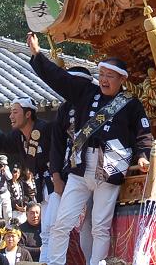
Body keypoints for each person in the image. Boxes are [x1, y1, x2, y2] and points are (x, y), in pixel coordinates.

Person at [27, 33, 153, 265]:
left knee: (99, 226)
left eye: (110, 76)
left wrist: (144, 156)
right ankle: (55, 262)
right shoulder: (86, 93)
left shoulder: (131, 105)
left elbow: (143, 134)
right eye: (102, 75)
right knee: (61, 223)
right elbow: (60, 78)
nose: (104, 80)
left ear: (121, 80)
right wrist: (37, 54)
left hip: (110, 169)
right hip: (80, 167)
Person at [0, 94, 55, 261]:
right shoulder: (19, 136)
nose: (11, 116)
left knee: (57, 227)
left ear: (28, 114)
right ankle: (47, 262)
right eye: (10, 112)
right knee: (47, 229)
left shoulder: (47, 129)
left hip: (58, 181)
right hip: (43, 184)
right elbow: (3, 143)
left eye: (15, 112)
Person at [49, 66, 98, 261]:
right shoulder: (64, 109)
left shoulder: (99, 102)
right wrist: (56, 177)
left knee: (94, 223)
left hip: (101, 170)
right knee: (62, 222)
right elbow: (57, 145)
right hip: (74, 171)